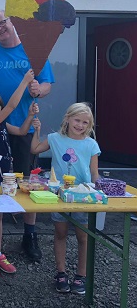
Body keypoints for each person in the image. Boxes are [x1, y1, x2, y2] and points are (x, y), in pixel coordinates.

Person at [0, 9, 55, 262]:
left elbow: (47, 84)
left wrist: (38, 89)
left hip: (23, 128)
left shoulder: (34, 50)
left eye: (2, 22)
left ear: (12, 22)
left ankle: (29, 235)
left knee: (27, 184)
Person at [30, 102, 100, 295]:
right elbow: (35, 149)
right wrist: (37, 130)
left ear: (89, 124)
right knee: (60, 233)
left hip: (83, 197)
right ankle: (61, 272)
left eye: (85, 122)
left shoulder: (91, 144)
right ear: (67, 119)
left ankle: (81, 275)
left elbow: (95, 174)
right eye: (77, 120)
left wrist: (101, 189)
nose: (80, 125)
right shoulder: (54, 138)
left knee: (83, 237)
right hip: (59, 195)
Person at [0, 69, 39, 278]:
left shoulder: (2, 123)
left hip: (4, 176)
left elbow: (22, 132)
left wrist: (30, 116)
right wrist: (24, 81)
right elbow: (12, 105)